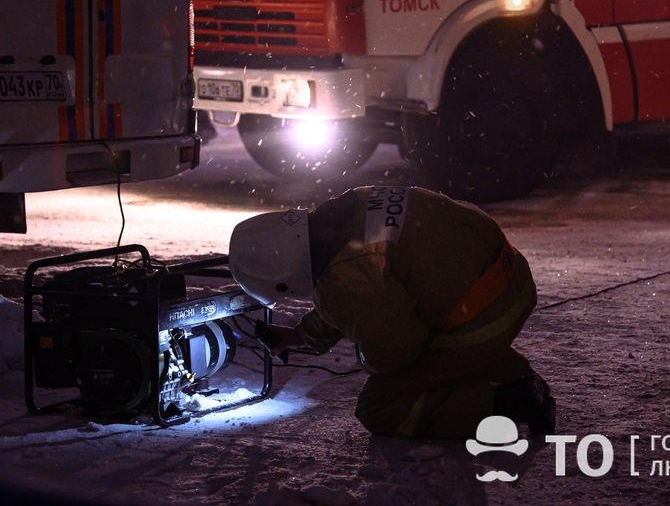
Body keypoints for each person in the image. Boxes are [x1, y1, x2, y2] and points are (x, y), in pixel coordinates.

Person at [229, 185, 555, 439]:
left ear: (285, 279)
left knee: (381, 406)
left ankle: (511, 403)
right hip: (509, 279)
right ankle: (516, 375)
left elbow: (398, 349)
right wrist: (300, 336)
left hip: (484, 316)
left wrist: (369, 359)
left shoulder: (342, 277)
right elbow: (353, 293)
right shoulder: (349, 209)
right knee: (437, 349)